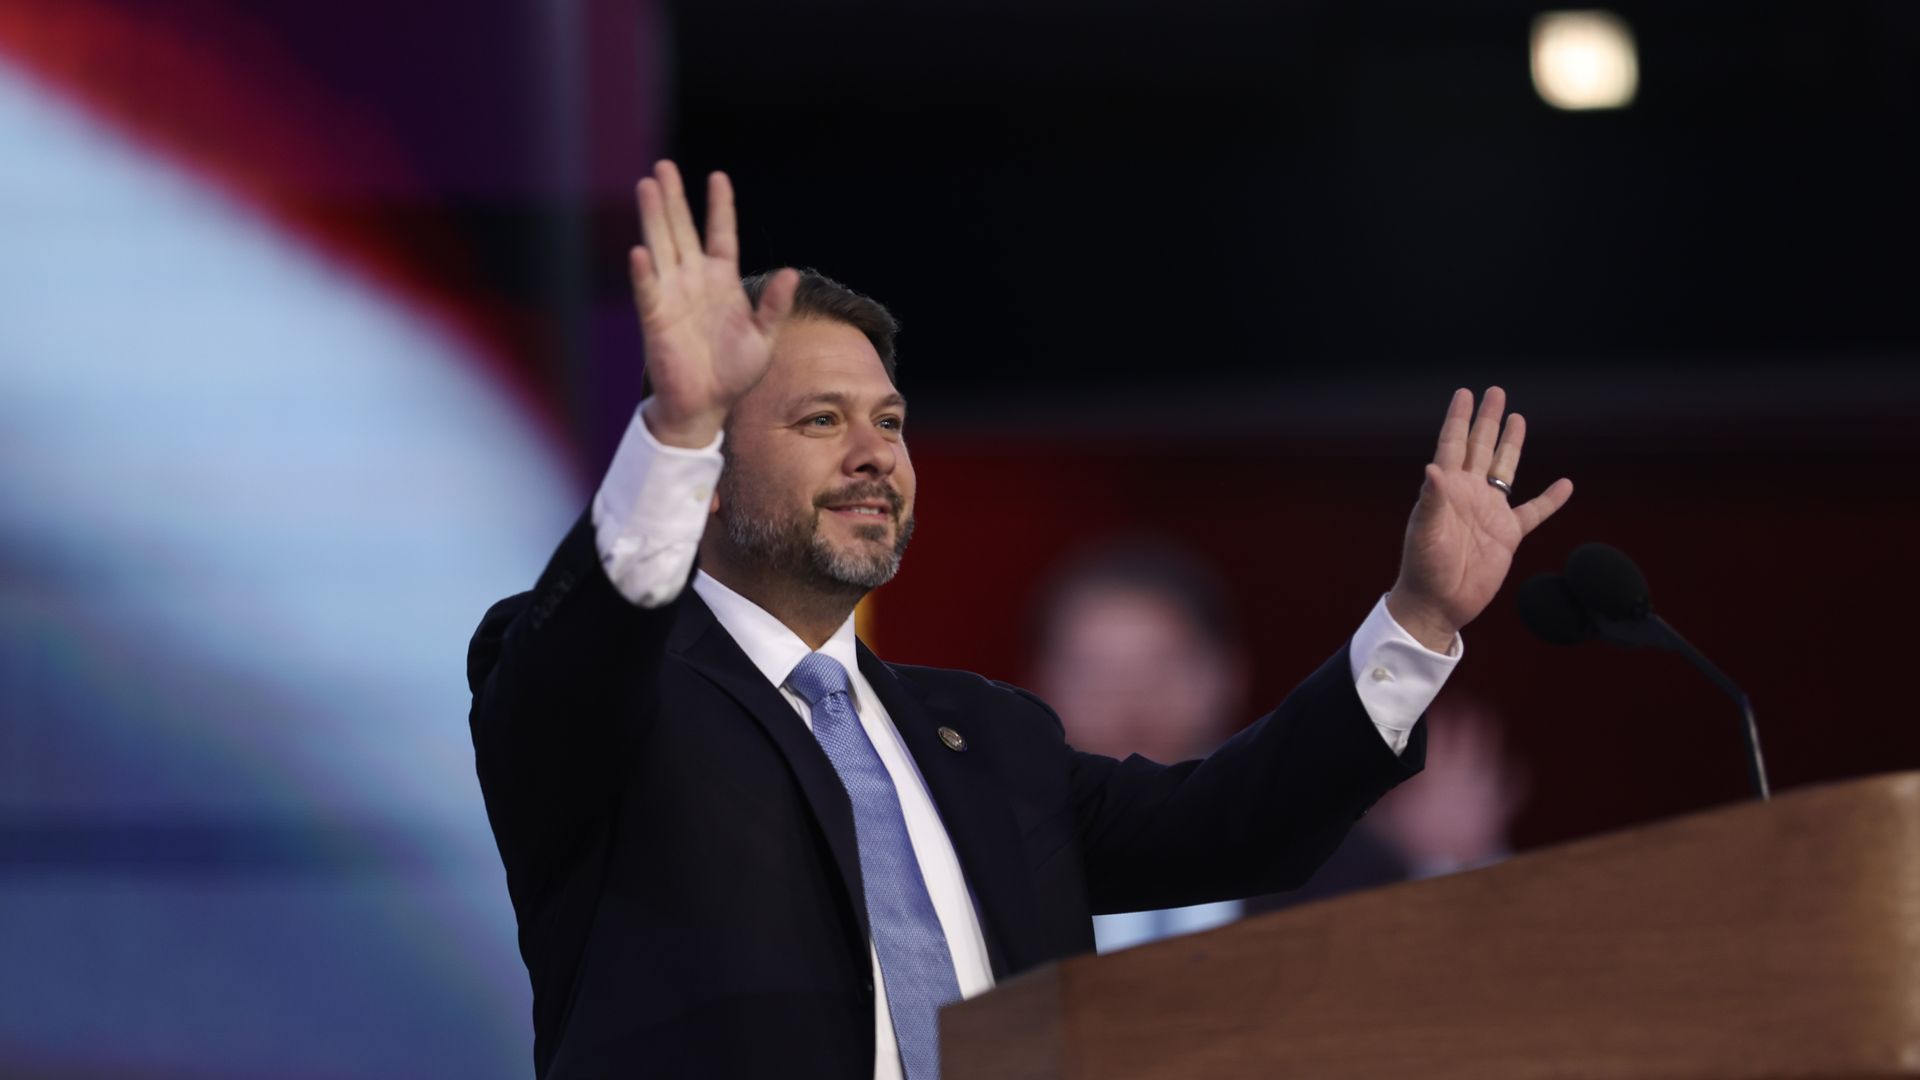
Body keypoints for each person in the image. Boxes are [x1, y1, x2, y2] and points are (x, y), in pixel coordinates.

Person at [465, 160, 1574, 1080]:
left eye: (889, 422)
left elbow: (1241, 823)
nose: (874, 454)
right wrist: (675, 424)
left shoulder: (991, 740)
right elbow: (592, 648)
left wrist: (1418, 617)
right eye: (819, 419)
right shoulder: (606, 704)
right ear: (711, 473)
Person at [1030, 546, 1529, 952]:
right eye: (1094, 675)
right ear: (1040, 688)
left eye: (1158, 669)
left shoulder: (1343, 863)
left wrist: (1446, 870)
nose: (1129, 704)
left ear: (1224, 675)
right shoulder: (1002, 872)